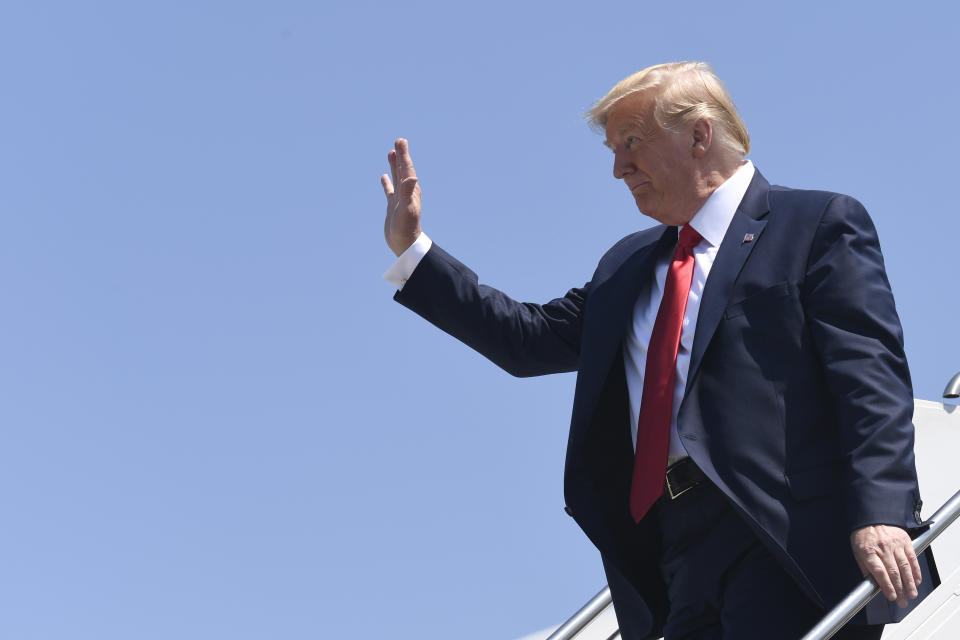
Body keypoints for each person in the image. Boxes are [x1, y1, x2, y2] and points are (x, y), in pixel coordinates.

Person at [379, 61, 937, 639]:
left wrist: (882, 512)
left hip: (783, 536)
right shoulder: (627, 266)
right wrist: (413, 251)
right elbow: (527, 338)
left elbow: (869, 380)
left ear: (699, 135)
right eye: (613, 151)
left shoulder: (816, 224)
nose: (619, 168)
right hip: (674, 551)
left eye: (632, 143)